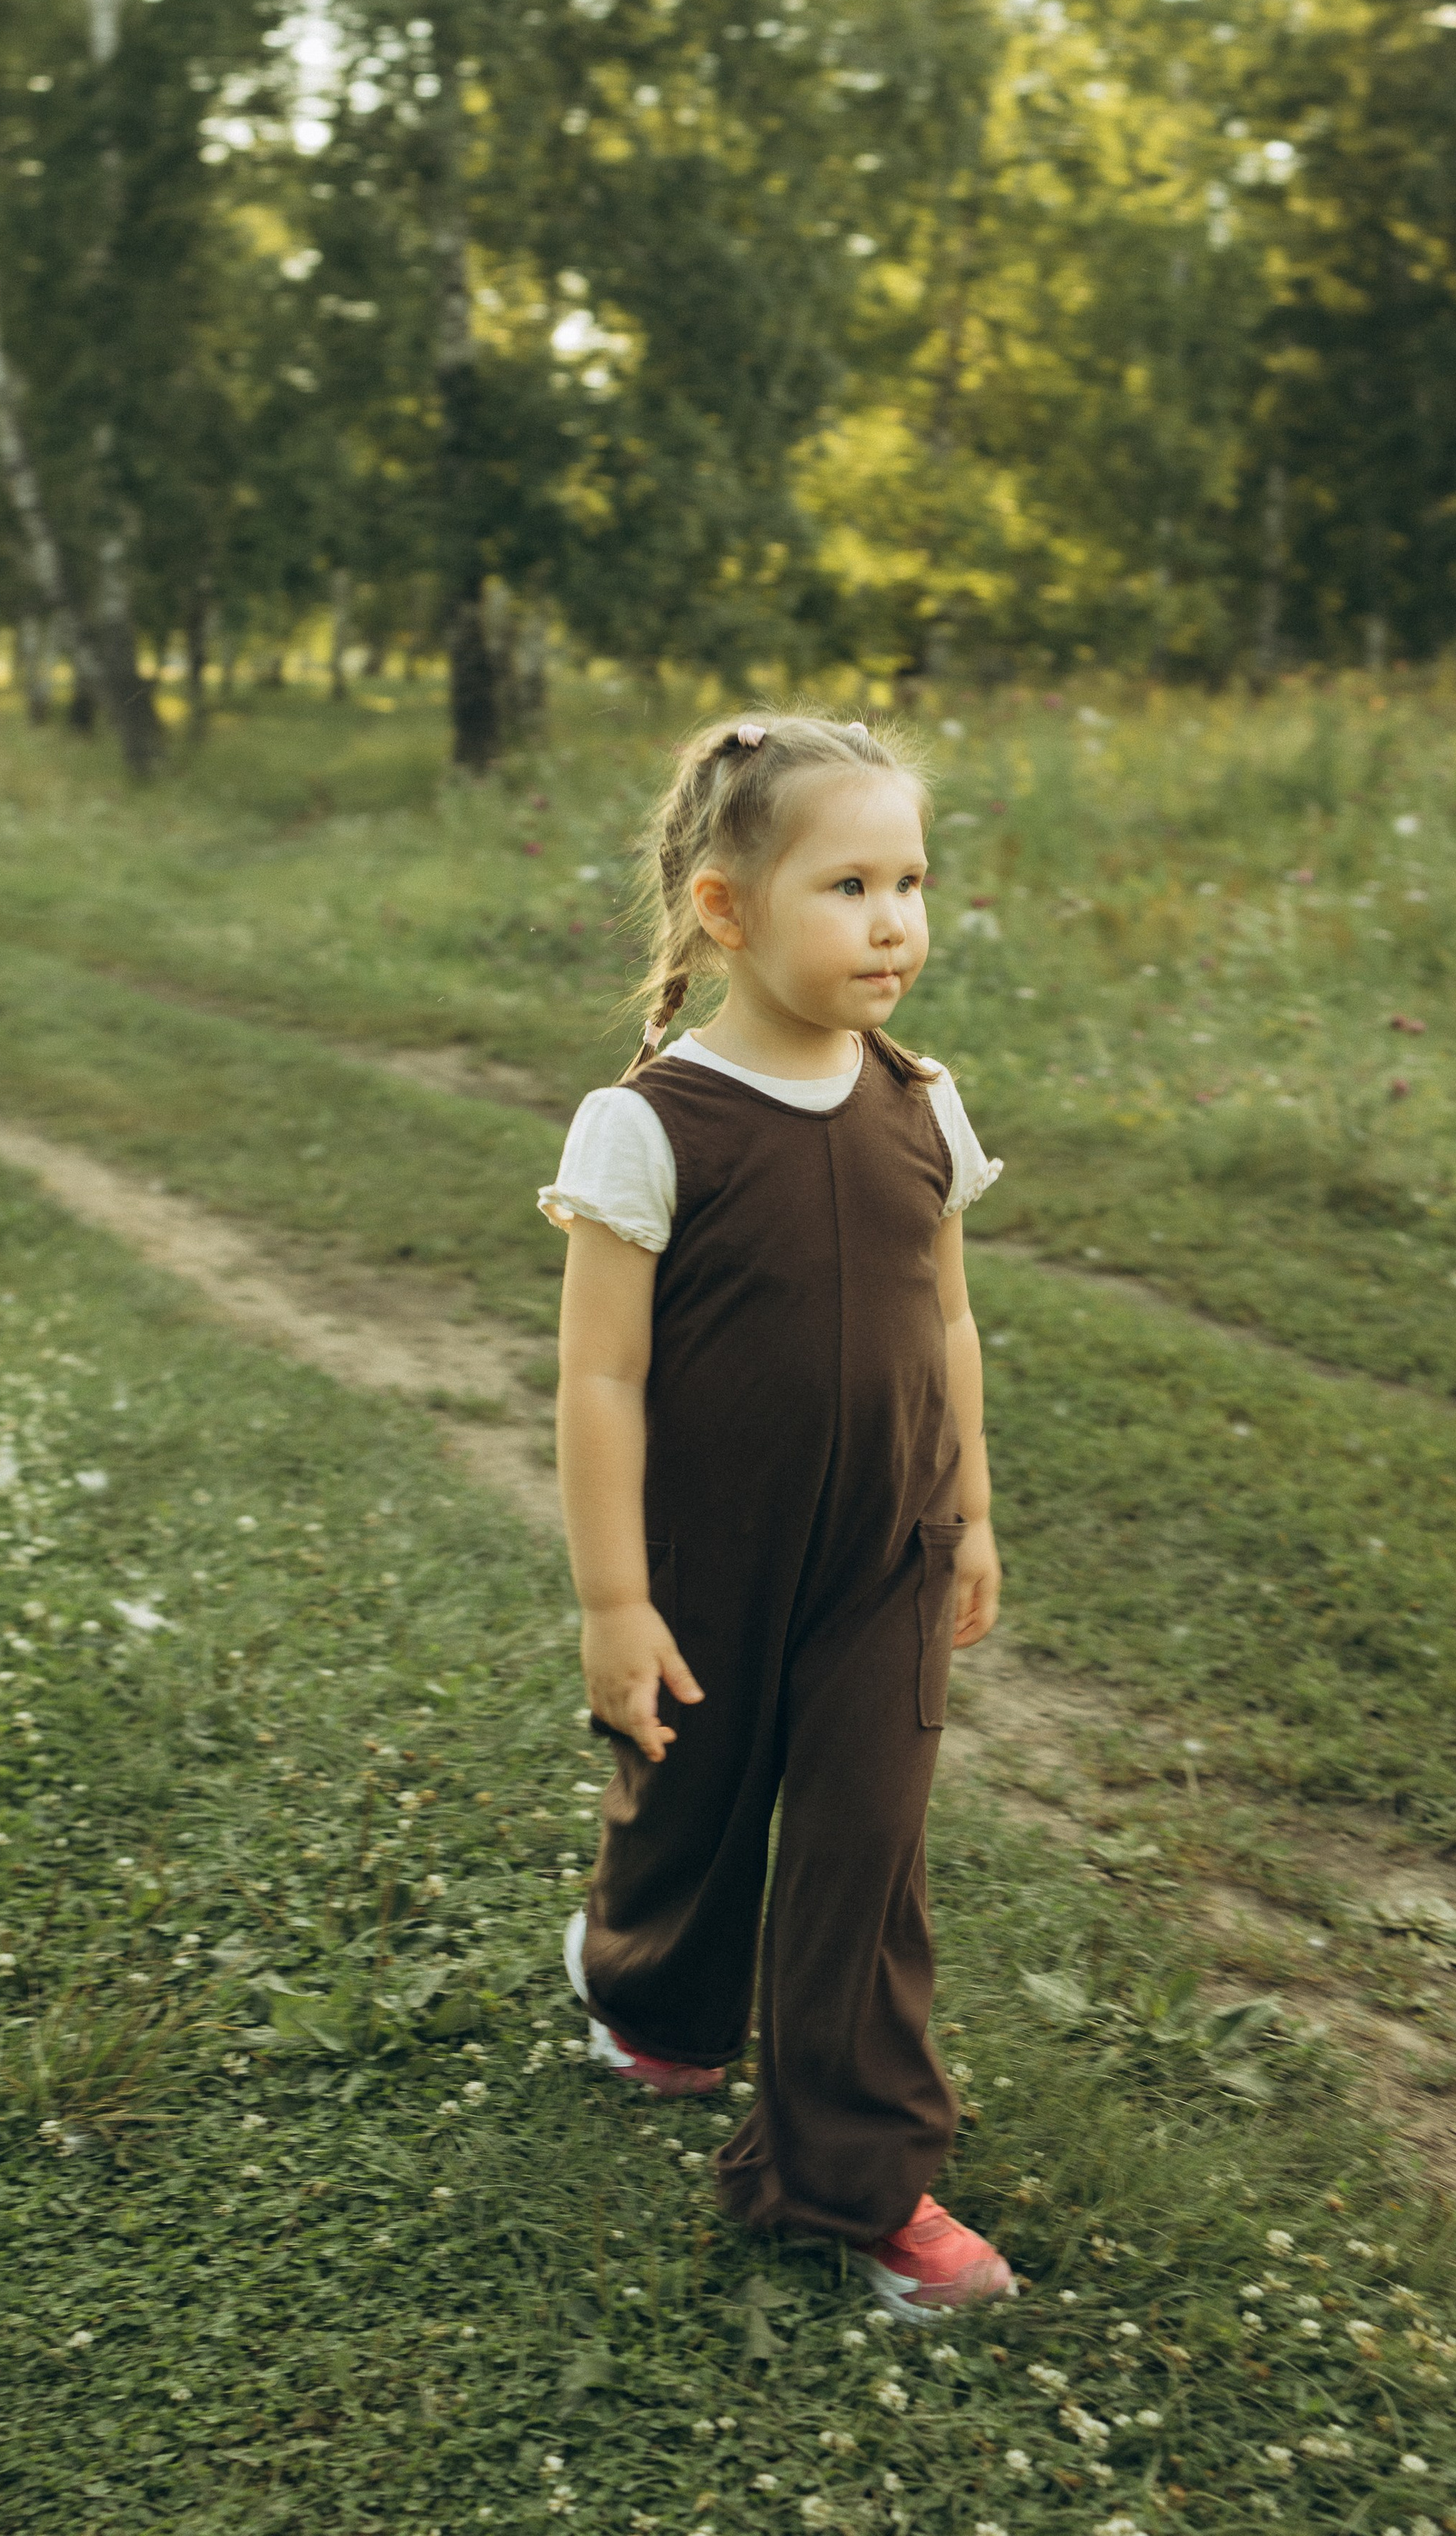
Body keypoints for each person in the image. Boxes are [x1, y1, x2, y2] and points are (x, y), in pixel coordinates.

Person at [538, 708, 1014, 2318]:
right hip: (710, 1563)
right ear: (726, 910)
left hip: (888, 1557)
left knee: (863, 1860)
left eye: (910, 883)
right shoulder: (651, 1126)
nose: (893, 923)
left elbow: (946, 1321)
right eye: (848, 887)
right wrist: (616, 1604)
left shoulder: (921, 1101)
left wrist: (969, 1511)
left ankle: (851, 2180)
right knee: (692, 1801)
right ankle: (650, 1994)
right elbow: (600, 1380)